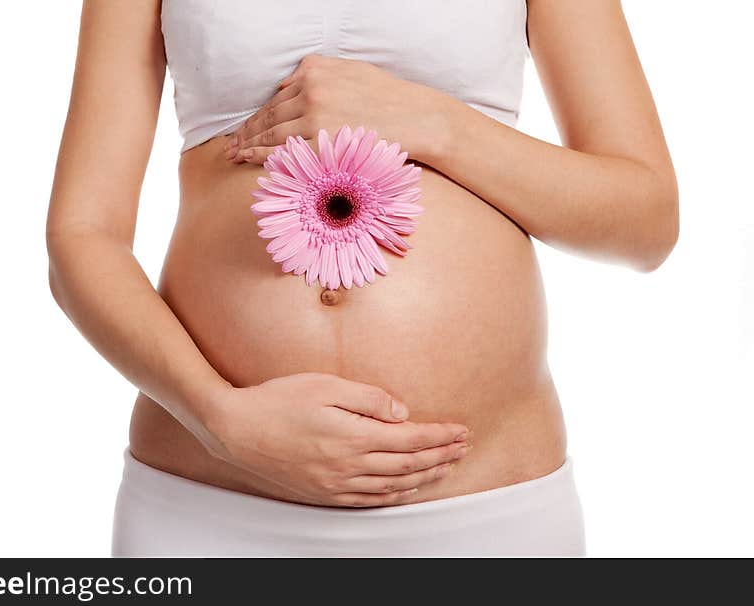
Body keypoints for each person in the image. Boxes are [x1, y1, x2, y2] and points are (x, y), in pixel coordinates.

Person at [46, 0, 677, 556]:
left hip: (481, 515)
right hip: (209, 502)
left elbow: (645, 220)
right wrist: (220, 420)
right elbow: (83, 234)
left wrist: (433, 121)